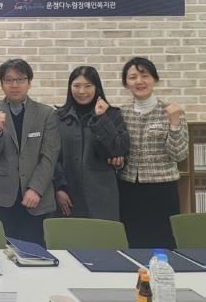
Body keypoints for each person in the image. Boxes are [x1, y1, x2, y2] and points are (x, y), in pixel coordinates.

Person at [0, 59, 60, 245]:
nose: (14, 85)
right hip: (4, 196)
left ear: (29, 82)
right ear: (2, 84)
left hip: (36, 196)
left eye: (20, 79)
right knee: (4, 249)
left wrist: (36, 189)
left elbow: (49, 156)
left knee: (35, 251)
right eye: (9, 80)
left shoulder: (46, 114)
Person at [118, 57, 188, 249]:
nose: (139, 81)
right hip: (129, 188)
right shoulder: (121, 113)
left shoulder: (172, 111)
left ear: (155, 79)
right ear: (126, 83)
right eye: (133, 77)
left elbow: (179, 155)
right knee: (132, 241)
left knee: (164, 242)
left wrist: (174, 124)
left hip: (162, 189)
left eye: (145, 76)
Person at [53, 66, 129, 221]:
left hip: (102, 194)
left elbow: (118, 149)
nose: (82, 91)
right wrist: (59, 188)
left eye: (88, 86)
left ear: (97, 88)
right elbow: (53, 156)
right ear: (70, 88)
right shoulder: (58, 117)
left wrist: (101, 117)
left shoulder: (112, 115)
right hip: (68, 193)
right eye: (76, 86)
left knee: (103, 235)